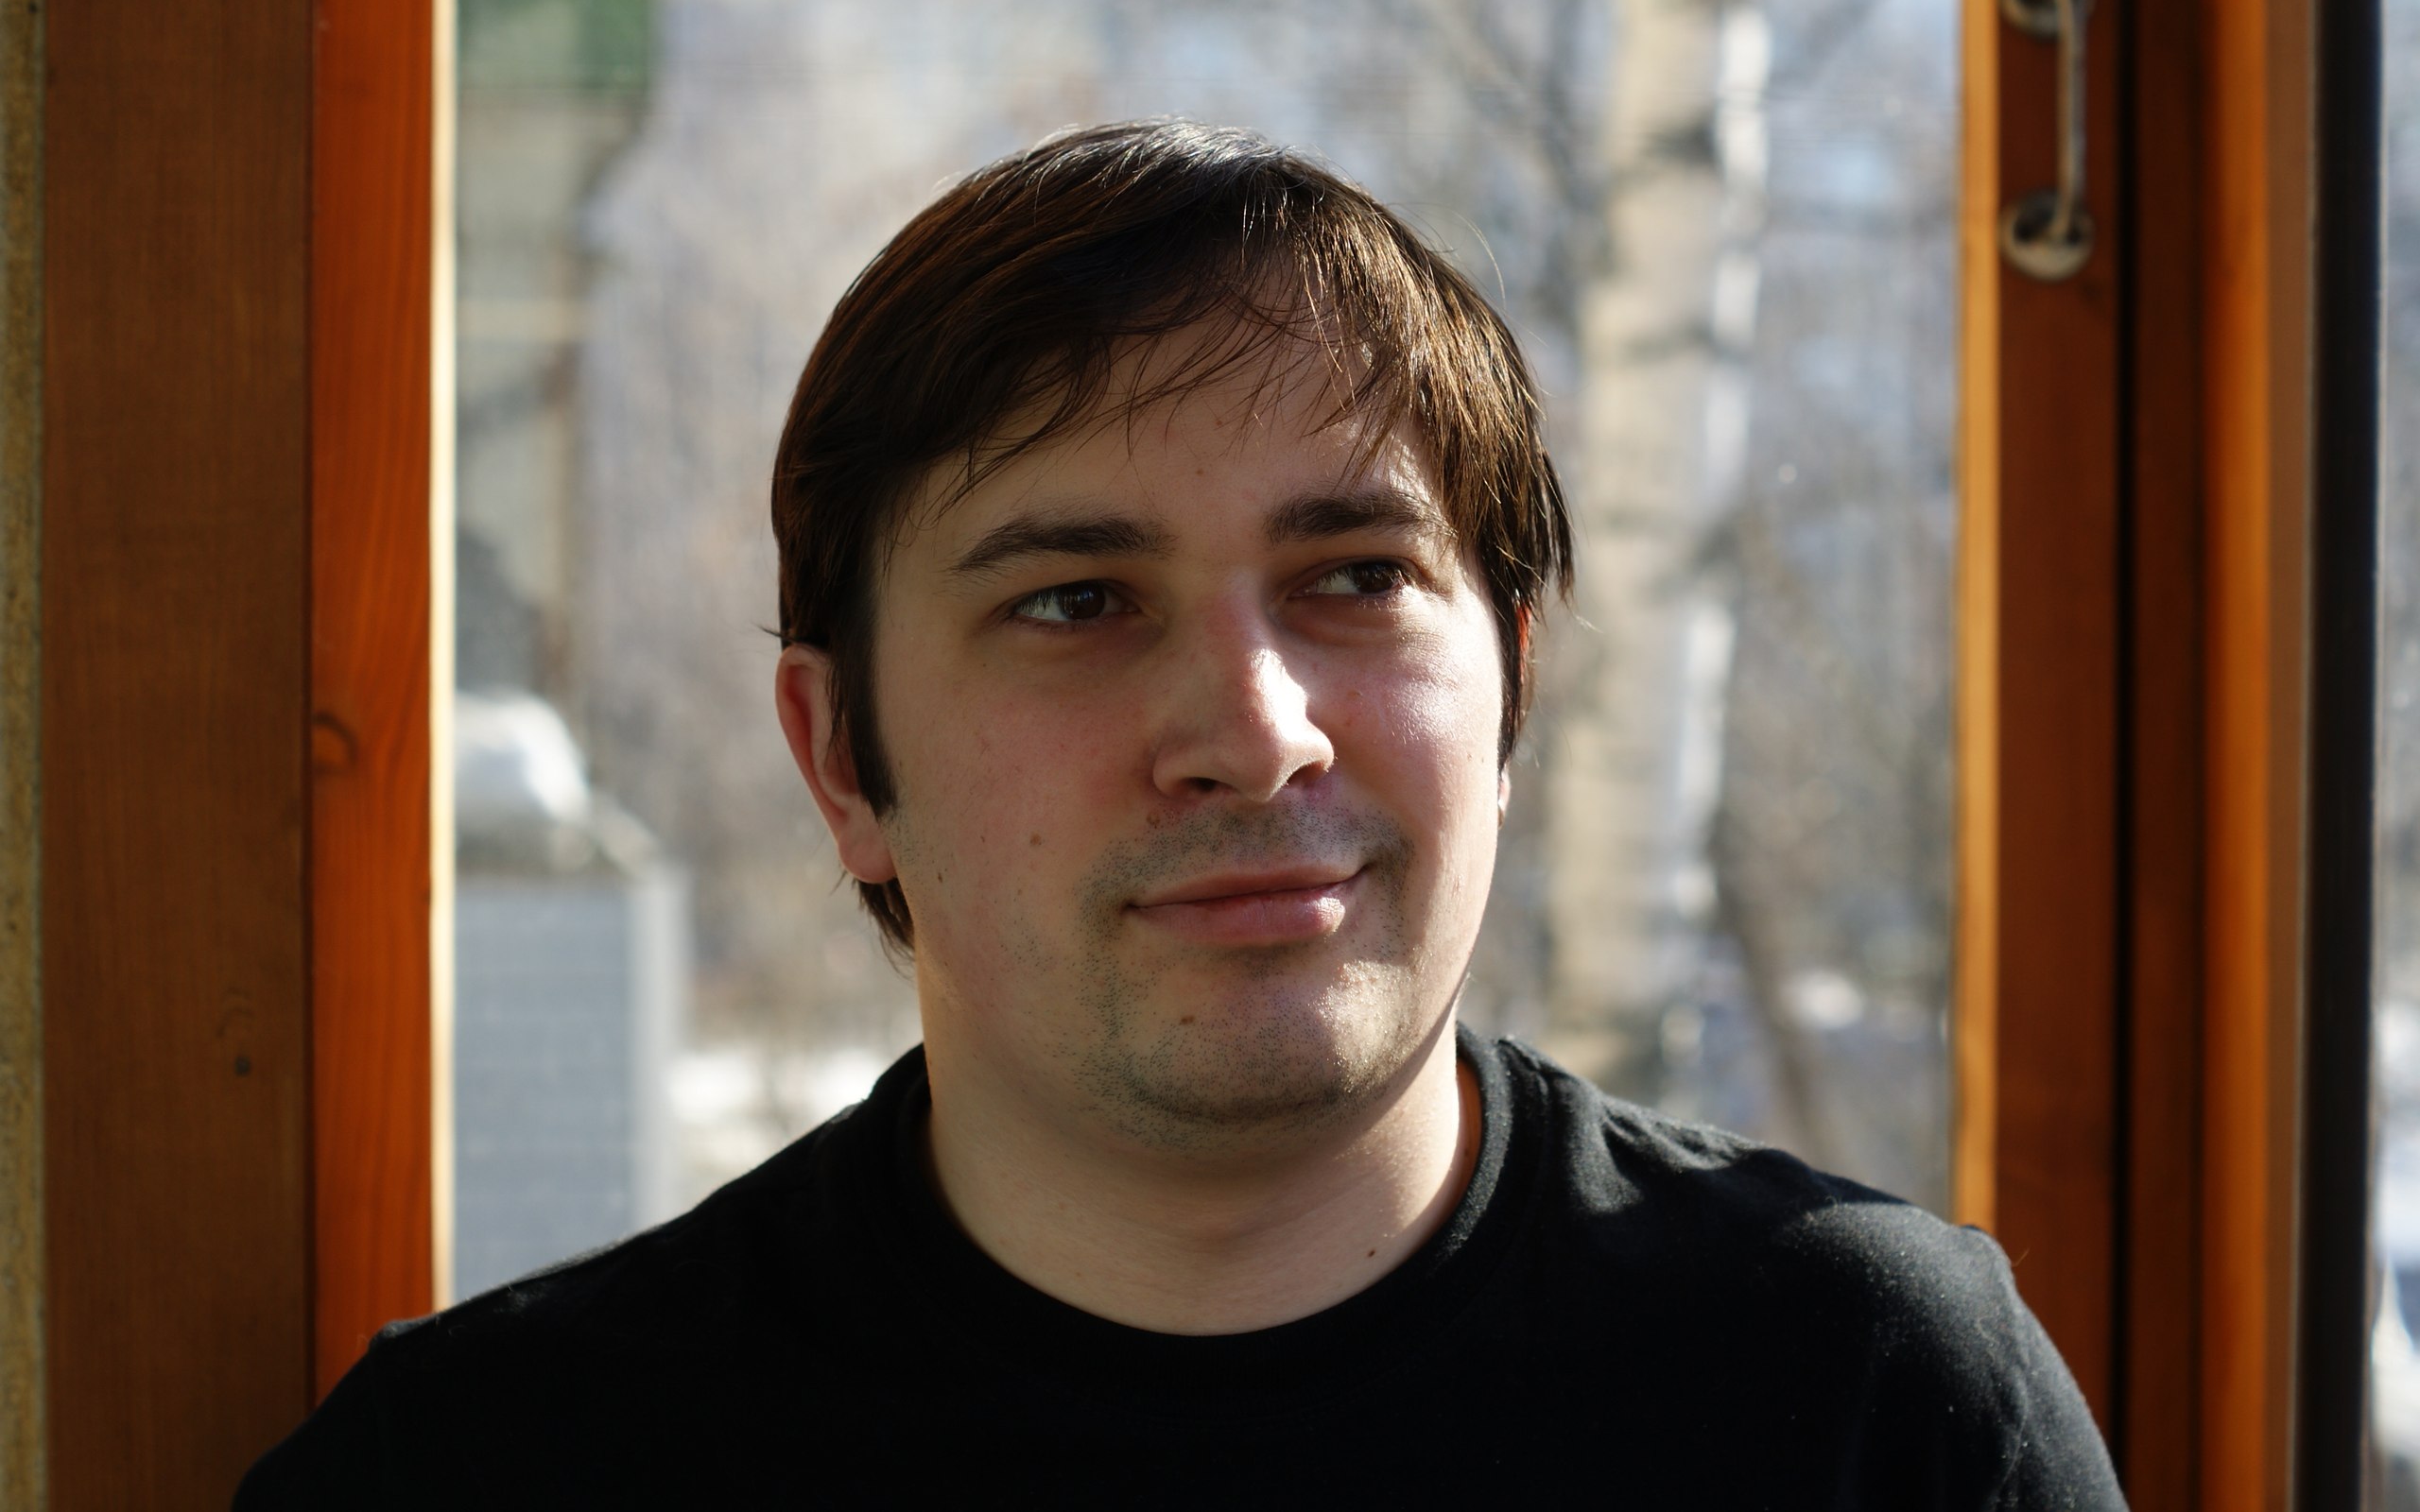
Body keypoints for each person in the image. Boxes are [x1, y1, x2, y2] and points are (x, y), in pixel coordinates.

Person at [237, 120, 2125, 1508]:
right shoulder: (478, 1474)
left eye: (1355, 577)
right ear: (842, 759)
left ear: (1513, 687)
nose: (1252, 730)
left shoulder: (1877, 1403)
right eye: (1076, 600)